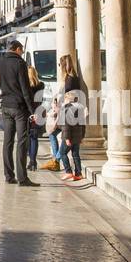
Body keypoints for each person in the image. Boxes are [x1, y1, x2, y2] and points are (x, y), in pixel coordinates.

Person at [0, 40, 38, 186]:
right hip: (19, 107)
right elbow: (25, 89)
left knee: (7, 142)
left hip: (6, 105)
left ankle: (8, 175)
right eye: (22, 50)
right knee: (22, 141)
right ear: (18, 49)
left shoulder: (0, 63)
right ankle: (22, 178)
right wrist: (32, 110)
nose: (22, 53)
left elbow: (0, 84)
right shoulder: (20, 64)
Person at [57, 53, 85, 182]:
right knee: (75, 153)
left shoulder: (68, 79)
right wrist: (82, 136)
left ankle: (68, 171)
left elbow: (67, 125)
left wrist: (67, 138)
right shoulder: (75, 78)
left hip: (71, 131)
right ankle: (78, 173)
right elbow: (82, 122)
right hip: (78, 130)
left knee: (63, 152)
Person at [26, 65, 44, 172]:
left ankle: (31, 161)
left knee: (29, 137)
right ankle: (33, 161)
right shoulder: (41, 85)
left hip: (29, 113)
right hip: (38, 112)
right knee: (35, 138)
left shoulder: (26, 86)